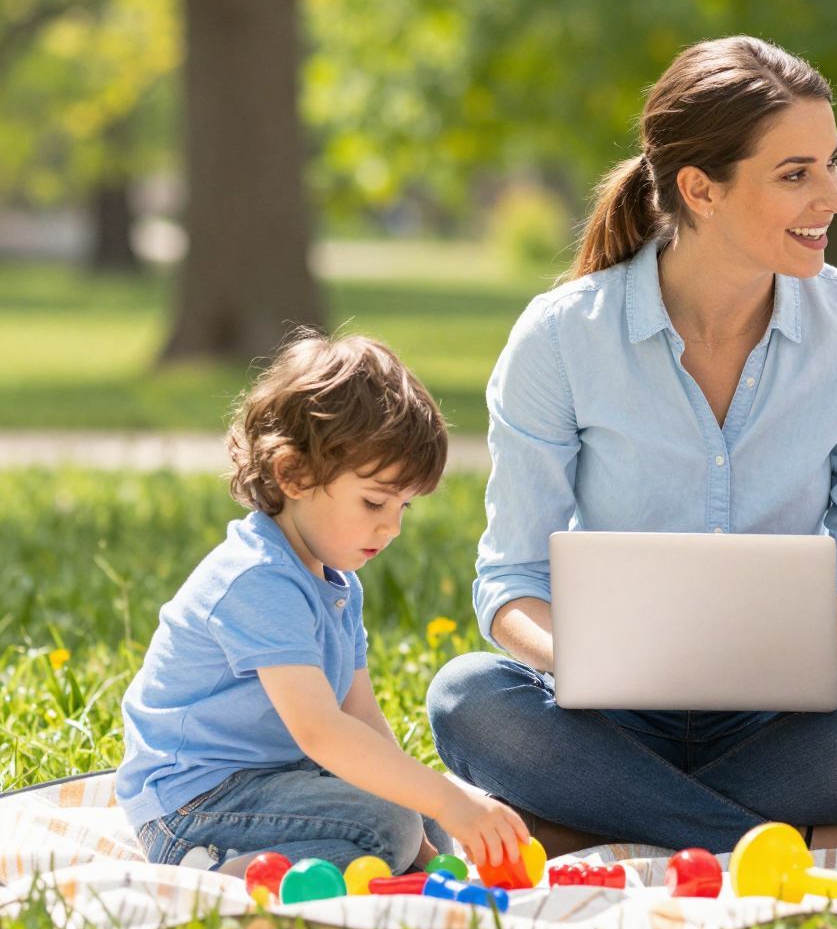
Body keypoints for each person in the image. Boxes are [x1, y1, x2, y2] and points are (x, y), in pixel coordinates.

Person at [428, 36, 837, 854]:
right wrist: (576, 661)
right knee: (467, 697)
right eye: (796, 174)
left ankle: (596, 823)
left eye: (831, 163)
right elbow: (511, 582)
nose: (834, 196)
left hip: (781, 718)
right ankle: (799, 840)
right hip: (610, 716)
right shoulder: (563, 337)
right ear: (699, 189)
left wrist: (831, 653)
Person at [116, 334, 528, 875]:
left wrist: (430, 818)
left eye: (404, 506)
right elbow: (320, 731)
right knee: (397, 823)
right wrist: (440, 803)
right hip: (195, 806)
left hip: (273, 782)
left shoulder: (336, 581)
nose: (392, 526)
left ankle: (338, 866)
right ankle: (215, 869)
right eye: (375, 501)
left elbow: (359, 717)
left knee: (421, 823)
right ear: (294, 475)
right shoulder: (258, 578)